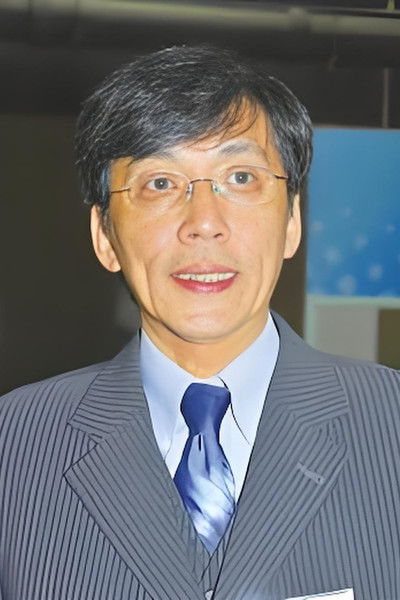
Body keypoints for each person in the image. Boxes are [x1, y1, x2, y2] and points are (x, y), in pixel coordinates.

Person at [0, 45, 399, 600]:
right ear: (105, 236)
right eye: (160, 184)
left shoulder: (389, 424)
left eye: (241, 177)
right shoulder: (14, 444)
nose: (204, 222)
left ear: (291, 221)